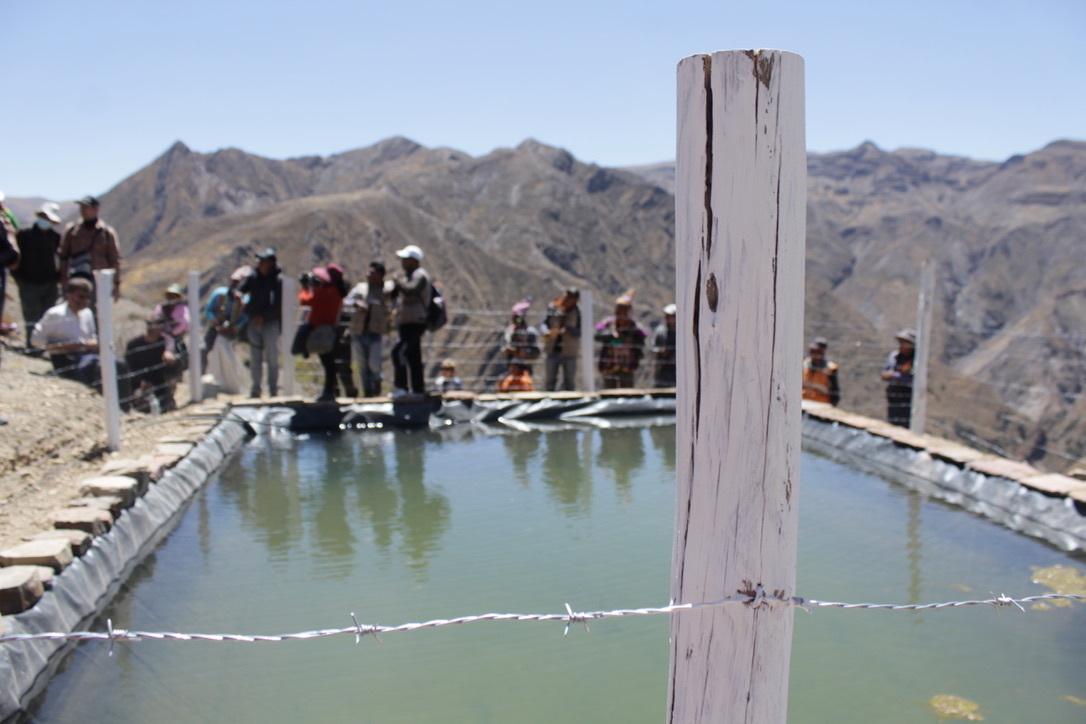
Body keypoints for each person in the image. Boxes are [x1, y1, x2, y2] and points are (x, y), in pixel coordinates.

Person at [31, 277, 131, 404]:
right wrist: (69, 346)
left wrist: (94, 344)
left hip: (87, 356)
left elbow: (91, 337)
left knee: (118, 364)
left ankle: (124, 404)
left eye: (87, 297)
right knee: (99, 370)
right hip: (66, 359)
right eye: (80, 297)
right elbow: (36, 341)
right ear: (69, 295)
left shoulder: (87, 313)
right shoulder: (55, 314)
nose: (84, 301)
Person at [13, 203, 62, 345]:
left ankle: (47, 345)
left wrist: (58, 277)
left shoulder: (55, 237)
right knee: (31, 316)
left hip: (50, 283)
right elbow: (15, 257)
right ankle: (32, 345)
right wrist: (17, 277)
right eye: (44, 217)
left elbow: (61, 258)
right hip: (28, 282)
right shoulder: (24, 235)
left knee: (48, 315)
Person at [345, 261, 395, 397]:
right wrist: (357, 303)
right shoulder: (360, 288)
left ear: (380, 275)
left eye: (372, 273)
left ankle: (376, 387)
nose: (368, 275)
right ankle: (367, 393)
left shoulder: (385, 290)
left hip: (376, 332)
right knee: (362, 365)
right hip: (358, 331)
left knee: (374, 364)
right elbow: (347, 300)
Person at [298, 266, 346, 401]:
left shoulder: (327, 292)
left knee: (328, 363)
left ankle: (329, 392)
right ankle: (331, 390)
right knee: (330, 363)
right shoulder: (338, 292)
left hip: (322, 332)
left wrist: (305, 288)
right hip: (332, 331)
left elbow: (305, 300)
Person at [59, 196, 120, 300]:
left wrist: (116, 284)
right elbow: (63, 256)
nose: (82, 210)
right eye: (81, 207)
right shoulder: (72, 231)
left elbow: (114, 259)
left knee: (99, 311)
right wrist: (63, 279)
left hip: (100, 280)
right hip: (77, 278)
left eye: (86, 207)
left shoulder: (106, 233)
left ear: (96, 209)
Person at [390, 244, 431, 397]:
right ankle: (418, 389)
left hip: (416, 322)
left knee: (399, 352)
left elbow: (411, 290)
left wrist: (397, 282)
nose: (402, 262)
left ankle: (402, 387)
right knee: (413, 355)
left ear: (413, 260)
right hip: (407, 321)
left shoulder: (420, 276)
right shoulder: (410, 276)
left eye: (405, 259)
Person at [240, 248, 283, 398]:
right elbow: (241, 291)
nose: (259, 264)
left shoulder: (278, 281)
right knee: (255, 357)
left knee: (272, 357)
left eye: (263, 261)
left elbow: (278, 306)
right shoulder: (253, 277)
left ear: (270, 263)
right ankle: (255, 389)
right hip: (253, 323)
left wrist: (264, 317)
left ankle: (273, 390)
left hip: (270, 323)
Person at [203, 266, 249, 394]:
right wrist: (216, 324)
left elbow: (245, 316)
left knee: (228, 354)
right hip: (215, 328)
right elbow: (209, 310)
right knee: (206, 351)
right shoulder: (219, 294)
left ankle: (230, 383)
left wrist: (235, 327)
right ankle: (206, 379)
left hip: (231, 331)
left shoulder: (245, 300)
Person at [125, 315, 181, 412]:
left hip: (159, 381)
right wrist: (140, 383)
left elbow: (171, 351)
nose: (153, 328)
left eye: (157, 325)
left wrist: (169, 355)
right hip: (139, 383)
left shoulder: (165, 342)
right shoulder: (134, 345)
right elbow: (129, 368)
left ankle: (169, 396)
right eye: (151, 325)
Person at [595, 291, 648, 389]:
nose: (622, 313)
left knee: (627, 394)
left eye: (625, 310)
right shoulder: (608, 323)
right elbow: (597, 333)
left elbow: (643, 337)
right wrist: (611, 337)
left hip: (627, 366)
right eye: (620, 310)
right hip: (609, 365)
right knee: (609, 393)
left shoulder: (635, 327)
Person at [326, 263, 358, 398]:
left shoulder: (347, 300)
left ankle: (349, 393)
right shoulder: (329, 294)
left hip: (341, 335)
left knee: (343, 366)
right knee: (333, 365)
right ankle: (335, 392)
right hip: (331, 333)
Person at [540, 288, 581, 391]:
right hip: (552, 350)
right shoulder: (553, 307)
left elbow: (580, 332)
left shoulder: (577, 312)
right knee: (550, 381)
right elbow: (544, 323)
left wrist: (568, 329)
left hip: (569, 352)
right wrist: (547, 332)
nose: (566, 299)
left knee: (569, 382)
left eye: (570, 298)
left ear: (575, 300)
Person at [498, 299, 541, 392]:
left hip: (525, 368)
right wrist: (508, 350)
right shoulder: (509, 332)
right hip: (511, 368)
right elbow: (504, 348)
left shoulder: (530, 332)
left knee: (525, 387)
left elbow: (536, 352)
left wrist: (523, 352)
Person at [881, 328, 915, 427]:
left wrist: (897, 375)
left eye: (905, 343)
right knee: (893, 421)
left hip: (908, 397)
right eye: (901, 342)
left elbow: (915, 379)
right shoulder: (893, 357)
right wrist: (898, 374)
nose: (902, 345)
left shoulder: (916, 361)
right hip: (893, 395)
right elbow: (884, 375)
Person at [802, 337, 840, 406]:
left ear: (822, 352)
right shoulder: (803, 365)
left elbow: (835, 395)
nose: (815, 354)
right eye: (812, 351)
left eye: (818, 352)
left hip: (821, 408)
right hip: (803, 406)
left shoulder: (831, 369)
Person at [652, 303, 677, 388]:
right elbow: (654, 347)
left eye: (672, 316)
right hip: (663, 368)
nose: (669, 319)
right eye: (667, 316)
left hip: (677, 367)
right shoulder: (660, 331)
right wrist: (661, 351)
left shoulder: (681, 331)